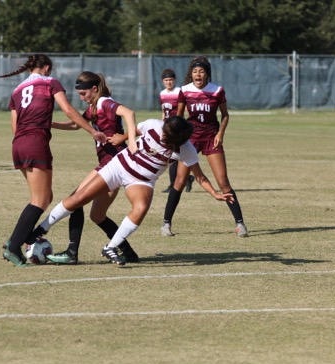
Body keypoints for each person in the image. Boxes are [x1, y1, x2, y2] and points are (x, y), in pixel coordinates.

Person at [30, 116, 234, 266]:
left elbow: (199, 175)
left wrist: (214, 193)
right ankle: (41, 229)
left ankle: (111, 247)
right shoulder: (154, 125)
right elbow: (135, 129)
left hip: (142, 180)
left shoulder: (186, 149)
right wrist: (122, 138)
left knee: (141, 207)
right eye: (164, 133)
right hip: (119, 167)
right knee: (79, 198)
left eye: (167, 137)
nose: (163, 136)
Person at [0, 55, 106, 267]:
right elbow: (69, 110)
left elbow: (15, 127)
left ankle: (13, 240)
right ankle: (14, 246)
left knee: (44, 196)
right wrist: (91, 131)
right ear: (46, 68)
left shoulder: (16, 91)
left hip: (18, 144)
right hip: (35, 142)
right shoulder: (50, 82)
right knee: (40, 201)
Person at [41, 71, 140, 265]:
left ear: (94, 89)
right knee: (97, 215)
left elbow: (129, 113)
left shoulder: (104, 102)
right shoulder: (95, 105)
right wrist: (48, 124)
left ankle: (71, 252)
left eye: (84, 94)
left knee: (75, 200)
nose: (81, 98)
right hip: (108, 162)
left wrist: (131, 140)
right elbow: (76, 125)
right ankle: (129, 253)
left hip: (113, 163)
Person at [161, 56, 248, 238]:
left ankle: (240, 224)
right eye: (194, 71)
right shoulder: (185, 90)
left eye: (201, 71)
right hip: (190, 139)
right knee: (179, 181)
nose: (198, 74)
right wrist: (177, 138)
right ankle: (166, 224)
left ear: (207, 73)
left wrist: (220, 134)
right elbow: (179, 116)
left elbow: (225, 115)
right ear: (191, 74)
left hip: (211, 138)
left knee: (223, 181)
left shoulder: (217, 90)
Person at [160, 68, 194, 195]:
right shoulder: (162, 93)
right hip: (167, 128)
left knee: (173, 157)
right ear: (163, 82)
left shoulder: (180, 92)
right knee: (173, 157)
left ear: (175, 80)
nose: (169, 82)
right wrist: (162, 124)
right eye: (166, 80)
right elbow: (163, 111)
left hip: (177, 128)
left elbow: (184, 109)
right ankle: (187, 178)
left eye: (171, 80)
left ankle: (174, 184)